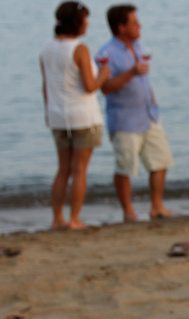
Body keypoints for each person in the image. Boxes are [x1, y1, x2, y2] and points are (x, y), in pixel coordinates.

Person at [98, 4, 175, 222]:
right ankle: (128, 211)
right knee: (125, 167)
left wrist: (153, 100)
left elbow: (144, 79)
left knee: (161, 160)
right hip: (124, 118)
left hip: (149, 114)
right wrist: (131, 72)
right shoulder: (107, 53)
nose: (139, 25)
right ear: (121, 27)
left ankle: (157, 207)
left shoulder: (138, 47)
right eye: (134, 22)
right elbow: (105, 87)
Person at [40, 1, 110, 230]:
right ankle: (75, 219)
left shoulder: (47, 48)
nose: (88, 24)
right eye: (85, 20)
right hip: (83, 116)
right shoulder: (79, 48)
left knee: (63, 169)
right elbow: (90, 85)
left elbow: (45, 85)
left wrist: (47, 112)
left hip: (58, 116)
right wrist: (104, 75)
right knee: (79, 170)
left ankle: (57, 217)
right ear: (77, 23)